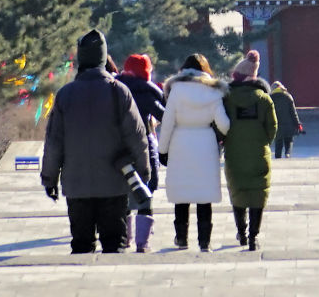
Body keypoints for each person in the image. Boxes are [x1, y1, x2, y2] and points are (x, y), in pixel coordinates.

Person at [41, 28, 152, 255]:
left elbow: (54, 142)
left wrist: (49, 179)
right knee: (114, 245)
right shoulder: (119, 92)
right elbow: (137, 136)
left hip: (76, 186)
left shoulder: (65, 95)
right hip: (114, 184)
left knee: (81, 245)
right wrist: (144, 172)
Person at [156, 52, 228, 251]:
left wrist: (162, 150)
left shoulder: (176, 90)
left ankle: (181, 238)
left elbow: (168, 122)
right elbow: (224, 124)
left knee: (182, 193)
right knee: (204, 194)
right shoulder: (214, 91)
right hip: (205, 143)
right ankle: (205, 241)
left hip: (180, 143)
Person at [221, 53, 279, 249]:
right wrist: (263, 142)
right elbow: (272, 128)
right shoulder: (264, 99)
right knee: (258, 194)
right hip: (258, 155)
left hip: (234, 154)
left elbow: (220, 124)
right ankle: (254, 237)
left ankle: (241, 233)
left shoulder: (227, 99)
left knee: (238, 193)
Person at [115, 54, 168, 253]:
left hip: (118, 147)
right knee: (146, 190)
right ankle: (142, 243)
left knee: (124, 190)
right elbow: (164, 114)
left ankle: (125, 238)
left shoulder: (114, 89)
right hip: (143, 145)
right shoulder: (145, 93)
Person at [269, 80, 303, 158]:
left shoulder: (270, 98)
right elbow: (293, 112)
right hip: (289, 124)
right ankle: (287, 154)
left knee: (278, 143)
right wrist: (298, 124)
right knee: (289, 140)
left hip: (277, 125)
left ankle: (278, 157)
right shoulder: (288, 96)